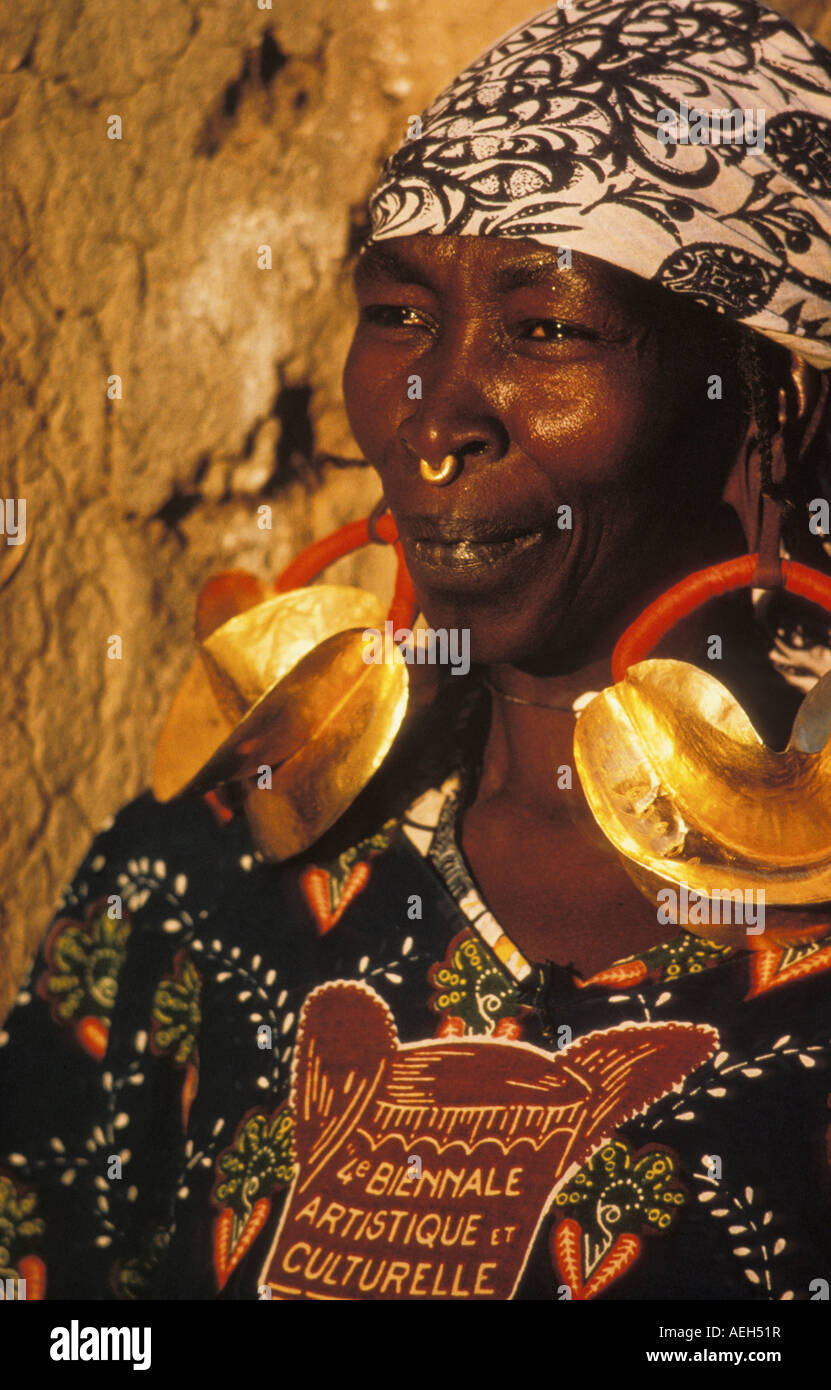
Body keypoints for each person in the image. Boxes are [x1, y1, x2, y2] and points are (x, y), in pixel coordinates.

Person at [2, 0, 831, 1302]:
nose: (430, 416)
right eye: (397, 312)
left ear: (770, 402)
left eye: (546, 328)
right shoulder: (215, 868)